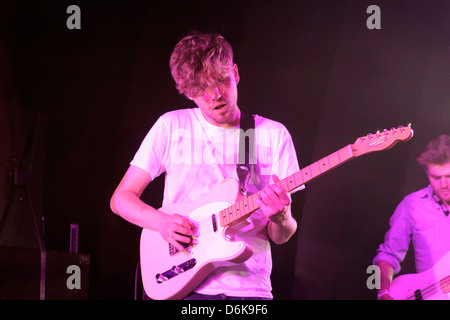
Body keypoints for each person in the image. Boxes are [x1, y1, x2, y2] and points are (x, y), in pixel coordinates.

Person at [110, 31, 302, 300]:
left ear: (235, 72)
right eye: (201, 90)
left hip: (250, 291)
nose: (215, 95)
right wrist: (161, 222)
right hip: (182, 283)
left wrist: (281, 218)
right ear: (188, 93)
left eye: (221, 81)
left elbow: (281, 236)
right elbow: (121, 199)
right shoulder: (171, 126)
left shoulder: (274, 134)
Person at [373, 134, 450, 300]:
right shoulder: (412, 204)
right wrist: (383, 292)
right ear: (426, 172)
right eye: (436, 177)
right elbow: (388, 256)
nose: (444, 185)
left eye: (449, 176)